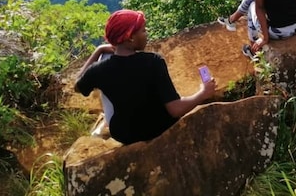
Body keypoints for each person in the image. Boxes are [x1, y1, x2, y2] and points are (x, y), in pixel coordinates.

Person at [75, 9, 216, 145]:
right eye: (143, 30)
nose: (146, 34)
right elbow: (175, 110)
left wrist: (99, 50)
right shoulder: (153, 61)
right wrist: (203, 93)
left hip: (125, 134)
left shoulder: (99, 70)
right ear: (130, 38)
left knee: (105, 71)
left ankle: (106, 121)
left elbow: (78, 86)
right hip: (160, 126)